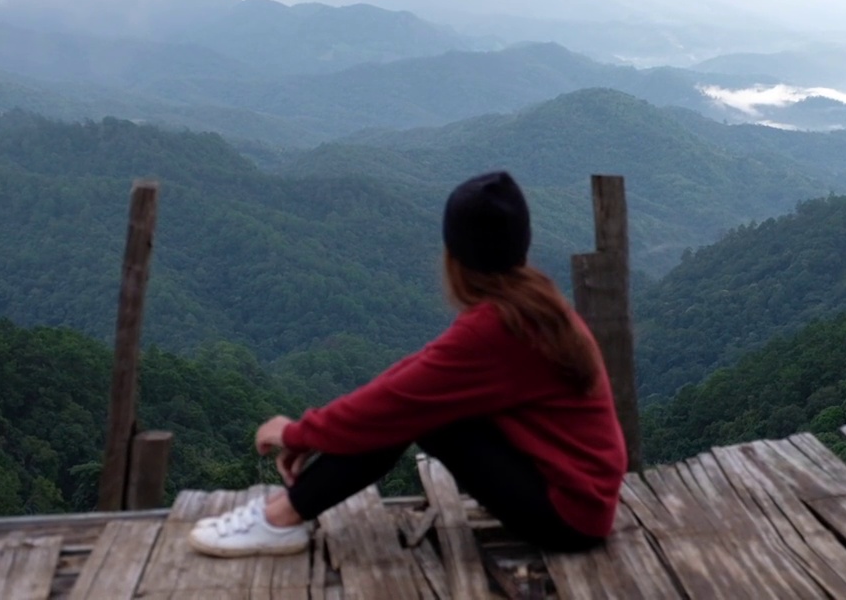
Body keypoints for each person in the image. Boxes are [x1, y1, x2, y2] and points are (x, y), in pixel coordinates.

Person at [188, 170, 628, 557]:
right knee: (414, 409)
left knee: (412, 417)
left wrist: (296, 432)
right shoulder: (531, 299)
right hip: (581, 496)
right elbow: (415, 374)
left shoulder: (500, 326)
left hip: (568, 517)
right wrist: (313, 430)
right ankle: (284, 513)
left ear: (454, 255)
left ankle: (281, 518)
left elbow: (395, 401)